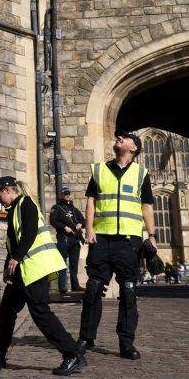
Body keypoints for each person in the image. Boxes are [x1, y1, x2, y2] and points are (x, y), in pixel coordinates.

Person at [0, 177, 87, 376]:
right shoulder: (14, 210)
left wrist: (16, 258)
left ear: (7, 190)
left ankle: (72, 354)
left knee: (40, 312)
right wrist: (9, 268)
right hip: (23, 270)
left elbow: (30, 234)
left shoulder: (26, 204)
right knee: (7, 311)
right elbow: (14, 242)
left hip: (35, 268)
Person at [77, 129, 157, 360]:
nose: (119, 138)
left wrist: (152, 235)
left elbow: (147, 207)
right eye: (118, 137)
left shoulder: (141, 173)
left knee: (129, 291)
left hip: (129, 241)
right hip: (102, 238)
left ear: (134, 148)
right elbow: (91, 202)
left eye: (125, 137)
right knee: (93, 288)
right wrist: (89, 228)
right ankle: (86, 338)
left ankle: (126, 343)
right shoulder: (99, 169)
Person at [49, 186, 87, 294]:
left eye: (68, 194)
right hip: (64, 239)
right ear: (61, 195)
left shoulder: (74, 209)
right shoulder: (56, 208)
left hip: (75, 240)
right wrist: (64, 227)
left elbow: (83, 220)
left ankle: (75, 285)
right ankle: (62, 286)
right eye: (65, 194)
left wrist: (80, 224)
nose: (67, 195)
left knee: (74, 264)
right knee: (62, 264)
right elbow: (53, 221)